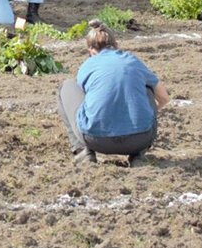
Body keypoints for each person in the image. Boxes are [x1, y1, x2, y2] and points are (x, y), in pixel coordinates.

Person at [57, 20, 171, 164]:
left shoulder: (88, 64)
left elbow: (87, 96)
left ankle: (82, 152)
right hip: (140, 139)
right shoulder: (132, 60)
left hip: (96, 139)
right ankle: (138, 156)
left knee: (67, 85)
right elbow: (164, 97)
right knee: (147, 88)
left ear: (91, 50)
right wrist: (154, 110)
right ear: (116, 45)